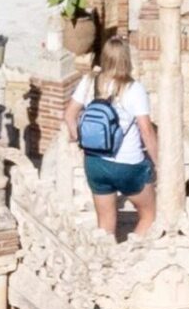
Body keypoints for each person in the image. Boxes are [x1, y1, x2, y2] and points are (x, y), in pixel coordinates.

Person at [66, 36, 157, 238]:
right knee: (149, 216)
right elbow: (146, 131)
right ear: (127, 59)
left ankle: (106, 264)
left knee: (105, 224)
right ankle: (130, 258)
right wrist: (158, 162)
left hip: (95, 162)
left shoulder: (89, 81)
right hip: (128, 164)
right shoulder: (134, 89)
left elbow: (69, 115)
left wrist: (80, 140)